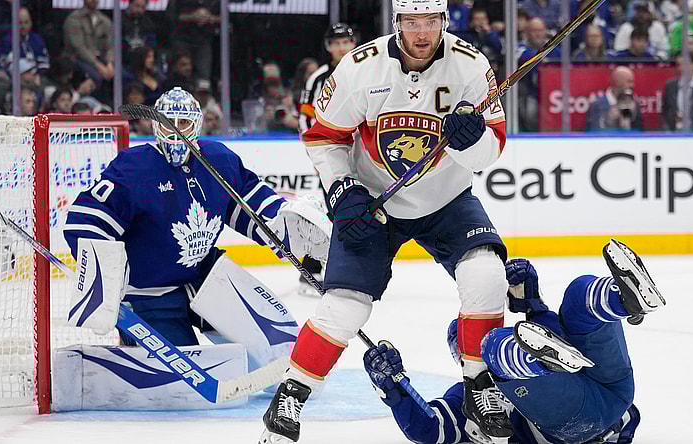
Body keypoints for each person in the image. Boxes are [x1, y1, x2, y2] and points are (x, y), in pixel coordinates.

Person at [261, 0, 509, 442]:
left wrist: (471, 141)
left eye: (430, 21)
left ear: (443, 21)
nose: (421, 32)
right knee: (345, 306)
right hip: (375, 201)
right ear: (397, 22)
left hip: (446, 199)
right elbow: (324, 137)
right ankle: (291, 395)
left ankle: (480, 385)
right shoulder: (360, 68)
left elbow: (490, 151)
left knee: (486, 273)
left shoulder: (470, 65)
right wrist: (342, 188)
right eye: (412, 22)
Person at [63, 87, 332, 380]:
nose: (176, 131)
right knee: (182, 380)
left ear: (197, 124)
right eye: (169, 123)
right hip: (149, 294)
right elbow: (85, 223)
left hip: (205, 279)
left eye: (183, 123)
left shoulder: (218, 159)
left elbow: (252, 204)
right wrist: (103, 285)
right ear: (156, 126)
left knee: (280, 349)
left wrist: (286, 224)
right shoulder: (134, 168)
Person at [363, 239, 664, 444]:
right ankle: (541, 360)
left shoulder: (510, 350)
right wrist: (392, 388)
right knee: (495, 346)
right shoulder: (467, 398)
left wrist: (533, 305)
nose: (469, 351)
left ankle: (626, 299)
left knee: (577, 294)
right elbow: (428, 429)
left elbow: (564, 345)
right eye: (466, 346)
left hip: (609, 392)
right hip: (585, 417)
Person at [295, 23, 358, 297]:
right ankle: (312, 268)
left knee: (359, 209)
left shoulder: (366, 70)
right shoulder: (318, 78)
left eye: (346, 42)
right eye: (336, 43)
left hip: (361, 153)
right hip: (331, 154)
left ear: (353, 44)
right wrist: (316, 152)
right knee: (334, 209)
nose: (341, 47)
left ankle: (351, 268)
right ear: (328, 46)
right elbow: (305, 116)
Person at [63, 0, 115, 90]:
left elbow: (110, 45)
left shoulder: (105, 21)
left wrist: (109, 63)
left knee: (124, 76)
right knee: (97, 77)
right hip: (78, 59)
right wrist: (99, 66)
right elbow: (79, 48)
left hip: (101, 59)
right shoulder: (73, 19)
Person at [586, 67, 644, 131]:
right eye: (629, 81)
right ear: (617, 82)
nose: (632, 85)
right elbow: (593, 132)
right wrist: (609, 120)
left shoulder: (634, 104)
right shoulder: (597, 106)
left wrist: (633, 118)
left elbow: (641, 131)